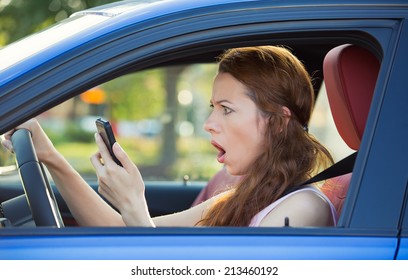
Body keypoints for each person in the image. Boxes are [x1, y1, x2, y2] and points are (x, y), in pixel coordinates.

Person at [1, 46, 337, 227]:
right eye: (211, 107)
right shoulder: (242, 197)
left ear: (278, 122)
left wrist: (134, 204)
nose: (208, 123)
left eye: (226, 109)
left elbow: (151, 254)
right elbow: (121, 231)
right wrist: (50, 157)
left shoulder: (302, 209)